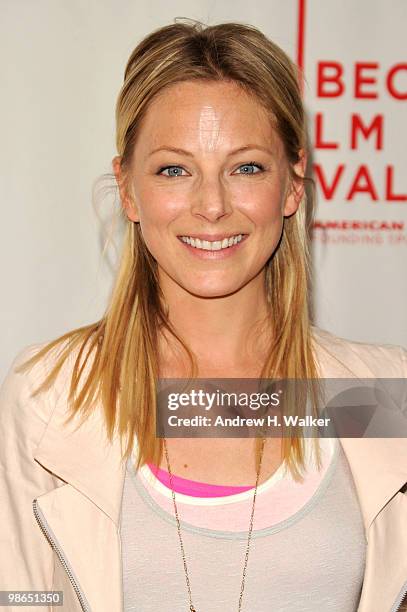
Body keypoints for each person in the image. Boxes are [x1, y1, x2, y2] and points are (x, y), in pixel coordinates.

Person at [0, 19, 406, 612]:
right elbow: (19, 596)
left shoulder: (377, 396)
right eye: (173, 169)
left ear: (293, 185)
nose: (212, 206)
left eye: (246, 168)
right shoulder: (51, 395)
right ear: (129, 189)